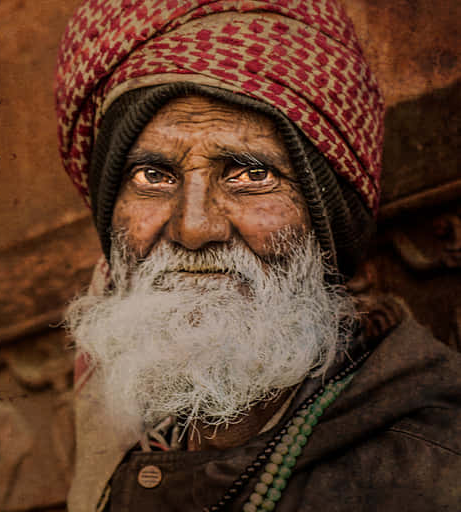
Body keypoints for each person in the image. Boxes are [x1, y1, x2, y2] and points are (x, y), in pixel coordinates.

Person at [54, 1, 461, 511]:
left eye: (250, 174)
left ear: (326, 223)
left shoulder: (435, 466)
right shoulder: (129, 442)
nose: (193, 228)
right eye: (152, 176)